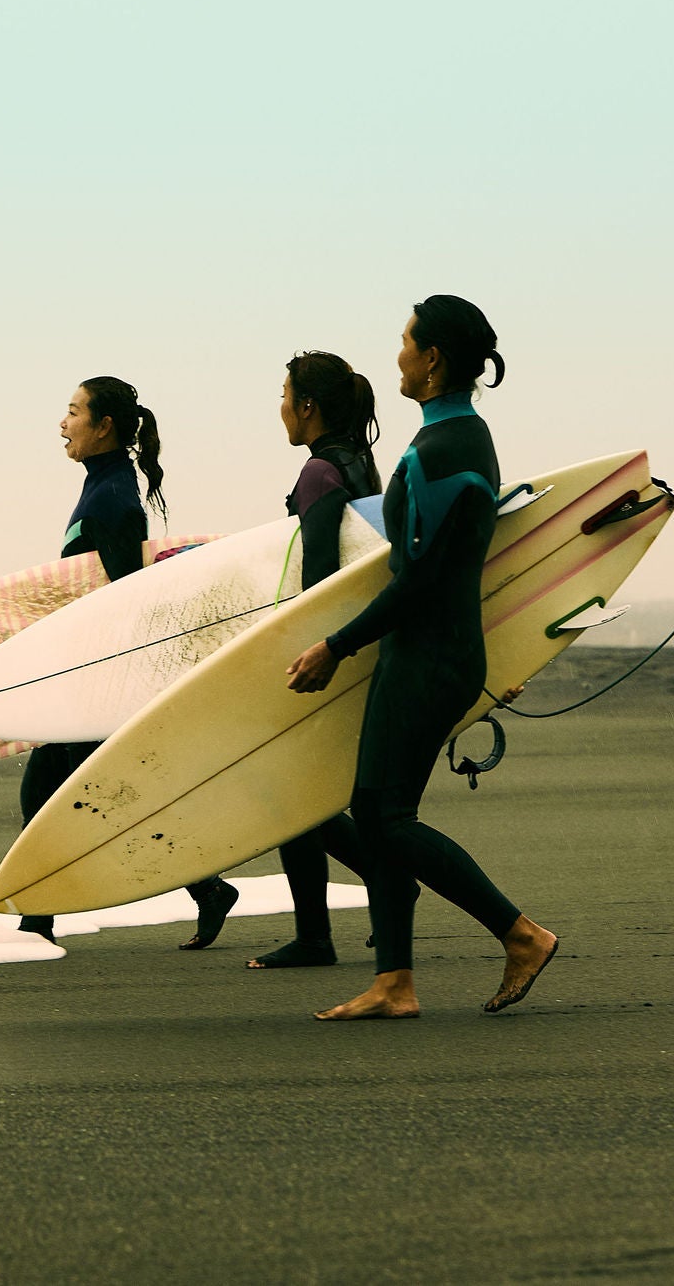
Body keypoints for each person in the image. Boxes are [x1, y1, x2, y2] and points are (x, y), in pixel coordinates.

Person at [286, 297, 558, 1019]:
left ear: (432, 359)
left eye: (406, 343)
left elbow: (423, 581)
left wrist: (335, 645)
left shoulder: (445, 452)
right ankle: (394, 981)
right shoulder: (458, 439)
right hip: (429, 651)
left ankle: (520, 933)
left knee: (385, 818)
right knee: (376, 810)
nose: (398, 357)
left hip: (431, 656)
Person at [17, 378, 240, 946]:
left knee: (90, 794)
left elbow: (124, 594)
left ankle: (39, 917)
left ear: (104, 425)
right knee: (61, 790)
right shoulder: (103, 487)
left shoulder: (113, 497)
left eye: (72, 413)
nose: (62, 425)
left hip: (100, 676)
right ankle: (38, 917)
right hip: (83, 670)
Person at [237, 351, 383, 968]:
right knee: (306, 794)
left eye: (284, 396)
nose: (280, 409)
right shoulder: (360, 465)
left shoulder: (320, 473)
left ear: (307, 406)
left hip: (326, 646)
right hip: (357, 640)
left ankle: (332, 923)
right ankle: (366, 896)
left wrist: (309, 649)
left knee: (291, 794)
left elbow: (319, 575)